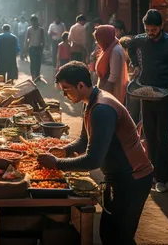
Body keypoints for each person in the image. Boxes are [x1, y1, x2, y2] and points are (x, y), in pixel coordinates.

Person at [38, 61, 153, 245]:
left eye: (66, 89)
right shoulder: (89, 102)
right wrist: (65, 150)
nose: (64, 95)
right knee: (108, 233)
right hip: (116, 176)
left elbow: (93, 160)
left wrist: (56, 163)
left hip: (133, 178)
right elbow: (84, 139)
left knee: (120, 237)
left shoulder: (102, 109)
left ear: (81, 85)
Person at [128, 9, 168, 193]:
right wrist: (136, 65)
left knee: (162, 136)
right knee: (148, 134)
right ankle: (151, 173)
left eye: (154, 30)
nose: (150, 33)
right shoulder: (139, 40)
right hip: (146, 93)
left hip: (165, 93)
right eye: (148, 29)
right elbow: (131, 47)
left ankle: (161, 178)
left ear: (161, 26)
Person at [94, 25, 128, 104]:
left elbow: (113, 77)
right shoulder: (111, 47)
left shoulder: (115, 50)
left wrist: (103, 95)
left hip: (112, 91)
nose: (97, 42)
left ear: (104, 38)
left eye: (98, 39)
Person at [25, 15, 45, 81]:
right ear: (31, 22)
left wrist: (42, 48)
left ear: (37, 21)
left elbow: (43, 40)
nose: (33, 23)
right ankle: (33, 76)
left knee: (38, 63)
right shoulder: (29, 29)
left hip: (38, 48)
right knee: (33, 63)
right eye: (32, 22)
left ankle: (37, 75)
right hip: (32, 48)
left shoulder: (41, 29)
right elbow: (27, 39)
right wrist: (26, 48)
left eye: (35, 21)